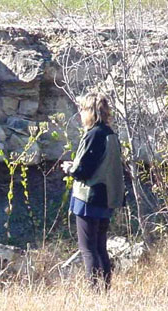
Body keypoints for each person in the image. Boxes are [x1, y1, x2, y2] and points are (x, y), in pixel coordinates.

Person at [61, 92, 125, 291]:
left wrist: (70, 168)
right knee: (100, 248)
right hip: (106, 198)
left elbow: (83, 171)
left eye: (82, 109)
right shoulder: (110, 134)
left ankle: (94, 293)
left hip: (89, 198)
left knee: (88, 250)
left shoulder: (94, 134)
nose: (80, 113)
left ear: (90, 111)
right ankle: (104, 291)